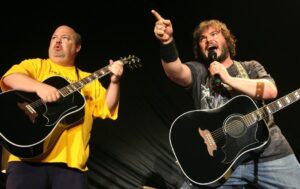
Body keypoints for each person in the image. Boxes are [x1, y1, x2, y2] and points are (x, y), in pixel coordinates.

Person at [151, 9, 300, 189]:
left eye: (214, 34)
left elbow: (270, 91)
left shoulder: (250, 67)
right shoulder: (199, 72)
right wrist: (167, 42)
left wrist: (229, 79)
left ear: (226, 40)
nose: (208, 40)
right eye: (203, 39)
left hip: (270, 153)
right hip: (218, 164)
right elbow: (175, 72)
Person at [0, 25, 124, 189]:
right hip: (26, 162)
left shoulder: (88, 79)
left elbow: (107, 108)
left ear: (77, 47)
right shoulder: (37, 65)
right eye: (54, 37)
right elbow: (10, 78)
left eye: (65, 38)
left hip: (71, 166)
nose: (57, 41)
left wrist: (115, 82)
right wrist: (39, 87)